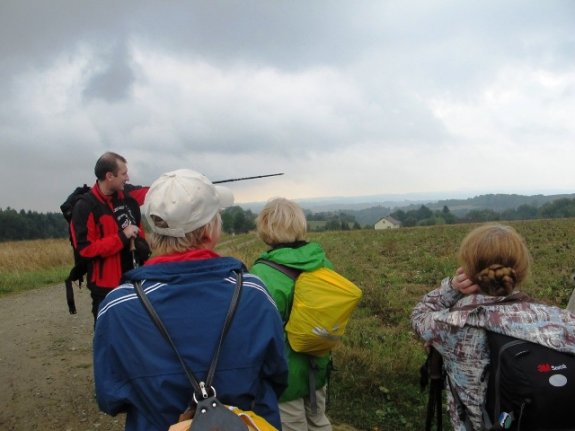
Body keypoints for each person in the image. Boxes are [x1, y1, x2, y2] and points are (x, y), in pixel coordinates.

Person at [93, 169, 288, 431]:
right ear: (209, 231)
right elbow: (277, 376)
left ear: (152, 232)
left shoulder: (118, 306)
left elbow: (110, 398)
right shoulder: (253, 293)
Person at [411, 223, 575, 431]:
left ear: (469, 271)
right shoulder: (563, 320)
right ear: (520, 270)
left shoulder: (454, 325)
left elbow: (419, 315)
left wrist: (453, 287)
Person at [250, 197, 334, 431]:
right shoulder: (322, 263)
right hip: (317, 363)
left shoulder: (263, 272)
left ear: (265, 228)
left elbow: (258, 329)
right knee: (318, 421)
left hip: (283, 374)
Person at [70, 151, 150, 323]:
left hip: (135, 281)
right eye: (123, 174)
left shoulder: (127, 195)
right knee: (108, 334)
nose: (127, 177)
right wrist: (122, 237)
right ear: (109, 176)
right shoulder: (85, 207)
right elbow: (85, 250)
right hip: (106, 289)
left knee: (137, 332)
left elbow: (153, 193)